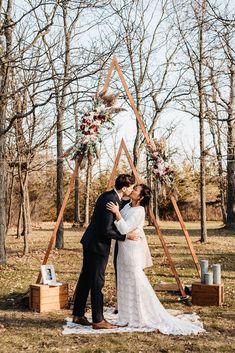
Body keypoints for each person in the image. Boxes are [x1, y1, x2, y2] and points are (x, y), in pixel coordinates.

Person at [106, 184, 205, 335]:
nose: (132, 190)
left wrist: (116, 213)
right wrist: (117, 213)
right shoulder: (127, 206)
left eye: (136, 189)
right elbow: (118, 225)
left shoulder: (139, 211)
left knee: (135, 280)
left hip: (132, 250)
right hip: (122, 248)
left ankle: (141, 314)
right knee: (124, 281)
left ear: (141, 197)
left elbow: (124, 228)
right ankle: (126, 315)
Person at [72, 174, 138, 330]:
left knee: (86, 278)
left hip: (90, 242)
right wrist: (126, 236)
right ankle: (98, 320)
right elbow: (106, 230)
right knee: (97, 281)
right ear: (124, 188)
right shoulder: (111, 200)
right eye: (131, 187)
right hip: (97, 245)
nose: (132, 189)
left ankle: (78, 314)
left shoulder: (109, 196)